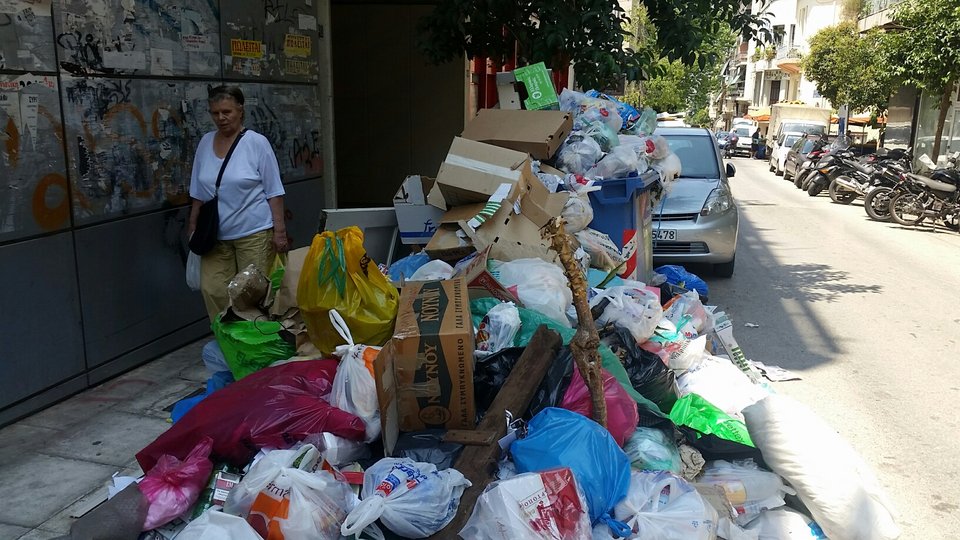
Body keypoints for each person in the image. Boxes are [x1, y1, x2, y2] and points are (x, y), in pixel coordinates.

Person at [188, 85, 288, 323]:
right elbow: (198, 191)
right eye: (215, 113)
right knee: (213, 288)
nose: (221, 118)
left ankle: (256, 341)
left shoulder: (257, 143)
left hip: (253, 234)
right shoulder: (204, 143)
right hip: (215, 236)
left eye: (226, 112)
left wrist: (280, 232)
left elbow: (274, 191)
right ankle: (228, 338)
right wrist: (192, 226)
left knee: (252, 294)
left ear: (240, 111)